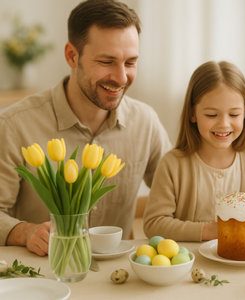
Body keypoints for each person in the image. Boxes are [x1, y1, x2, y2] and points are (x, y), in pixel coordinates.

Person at [0, 0, 171, 256]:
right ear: (72, 56)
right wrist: (24, 231)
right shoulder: (14, 125)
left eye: (130, 62)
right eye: (106, 61)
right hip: (45, 275)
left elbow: (178, 194)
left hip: (118, 280)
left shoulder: (145, 122)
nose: (122, 77)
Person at [143, 61, 245, 241]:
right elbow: (154, 224)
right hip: (190, 264)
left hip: (240, 263)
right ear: (192, 113)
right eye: (211, 115)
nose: (224, 124)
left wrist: (243, 226)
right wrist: (209, 231)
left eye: (234, 114)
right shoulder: (172, 164)